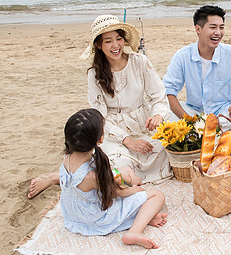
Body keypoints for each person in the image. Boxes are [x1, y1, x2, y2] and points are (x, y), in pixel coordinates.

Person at [28, 14, 172, 199]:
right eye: (108, 41)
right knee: (120, 166)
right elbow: (100, 116)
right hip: (112, 129)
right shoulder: (95, 74)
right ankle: (57, 177)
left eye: (119, 39)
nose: (115, 45)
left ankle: (127, 178)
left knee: (167, 152)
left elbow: (158, 95)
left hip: (142, 121)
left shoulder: (139, 62)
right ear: (98, 45)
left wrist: (158, 115)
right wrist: (127, 140)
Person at [60, 108, 166, 249]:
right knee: (156, 195)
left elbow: (109, 176)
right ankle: (134, 231)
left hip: (73, 213)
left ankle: (141, 215)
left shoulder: (67, 158)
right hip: (94, 218)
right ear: (101, 139)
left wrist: (125, 176)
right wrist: (135, 190)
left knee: (125, 171)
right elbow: (119, 192)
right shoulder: (92, 176)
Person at [162, 5, 231, 130]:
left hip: (224, 113)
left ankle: (203, 131)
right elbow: (168, 91)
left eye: (222, 27)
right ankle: (203, 129)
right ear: (198, 29)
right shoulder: (182, 56)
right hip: (194, 111)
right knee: (164, 115)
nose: (218, 32)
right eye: (213, 27)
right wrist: (188, 120)